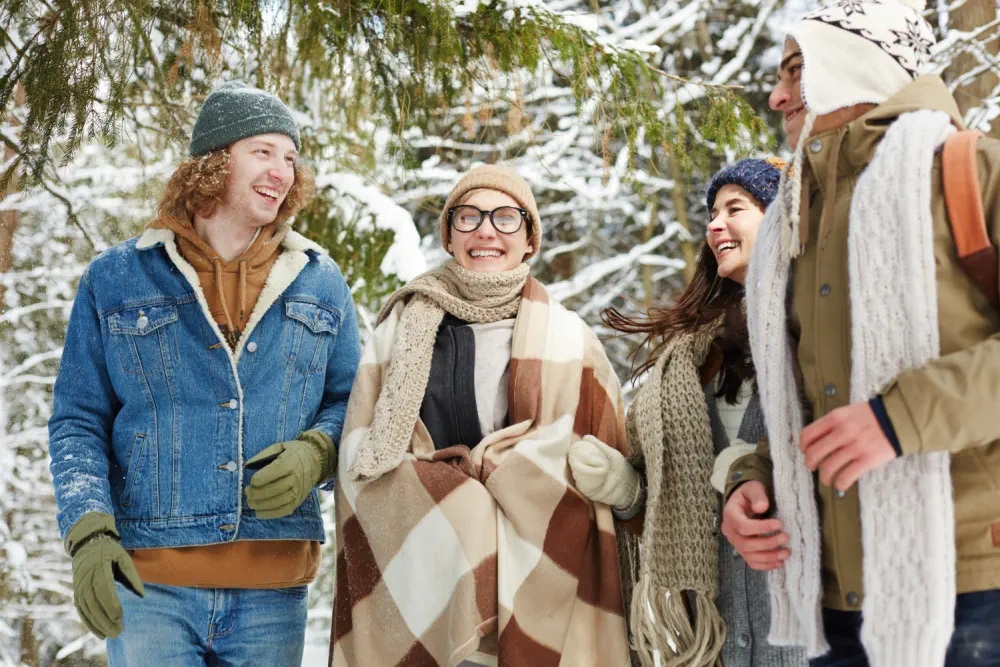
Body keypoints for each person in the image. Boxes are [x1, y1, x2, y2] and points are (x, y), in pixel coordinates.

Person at [721, 1, 1000, 665]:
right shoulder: (794, 219)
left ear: (856, 64)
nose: (777, 95)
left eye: (796, 69)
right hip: (832, 600)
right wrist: (755, 482)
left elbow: (876, 416)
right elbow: (808, 398)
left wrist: (899, 417)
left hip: (973, 592)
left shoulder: (974, 172)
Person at [48, 80, 361, 666]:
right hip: (150, 586)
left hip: (273, 590)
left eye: (290, 157)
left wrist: (318, 452)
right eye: (263, 152)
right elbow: (77, 421)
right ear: (215, 161)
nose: (282, 171)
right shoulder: (117, 278)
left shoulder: (319, 279)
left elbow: (354, 402)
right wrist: (88, 529)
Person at [329, 165, 631, 667]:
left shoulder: (572, 340)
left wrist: (508, 472)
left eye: (505, 218)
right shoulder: (399, 330)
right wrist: (460, 502)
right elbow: (360, 456)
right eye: (468, 217)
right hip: (424, 587)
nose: (486, 231)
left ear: (529, 239)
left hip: (543, 590)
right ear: (449, 236)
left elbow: (608, 464)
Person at [569, 158, 806, 667]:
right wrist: (626, 492)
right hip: (717, 638)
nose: (715, 225)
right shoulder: (694, 359)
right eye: (712, 214)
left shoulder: (823, 338)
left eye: (735, 209)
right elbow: (679, 509)